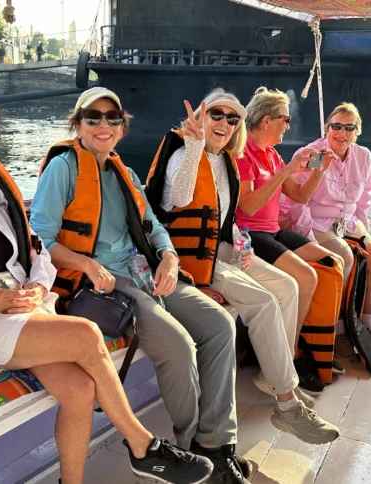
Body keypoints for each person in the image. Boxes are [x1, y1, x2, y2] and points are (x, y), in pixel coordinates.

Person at [0, 76, 214, 484]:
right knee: (87, 336)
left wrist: (38, 283)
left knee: (80, 390)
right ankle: (143, 447)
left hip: (15, 307)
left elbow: (36, 250)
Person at [30, 86, 248, 483]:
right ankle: (189, 452)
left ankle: (215, 445)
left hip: (148, 274)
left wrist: (169, 256)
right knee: (179, 346)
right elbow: (39, 239)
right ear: (77, 125)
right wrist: (85, 263)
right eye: (92, 117)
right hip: (104, 287)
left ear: (121, 127)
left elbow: (155, 227)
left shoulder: (123, 173)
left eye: (112, 118)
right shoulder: (64, 168)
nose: (103, 124)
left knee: (220, 325)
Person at [145, 87, 339, 444]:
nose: (224, 123)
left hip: (224, 249)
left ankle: (278, 376)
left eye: (232, 118)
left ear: (239, 126)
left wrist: (242, 241)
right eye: (215, 115)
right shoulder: (183, 155)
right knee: (263, 302)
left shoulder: (225, 162)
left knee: (289, 287)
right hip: (191, 259)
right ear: (201, 118)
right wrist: (193, 146)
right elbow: (179, 199)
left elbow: (225, 217)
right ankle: (287, 404)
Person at [236, 87, 345, 375]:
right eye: (286, 119)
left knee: (331, 263)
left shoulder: (271, 155)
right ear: (266, 121)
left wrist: (318, 172)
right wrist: (289, 168)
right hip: (250, 235)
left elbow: (298, 196)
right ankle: (290, 353)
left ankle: (316, 341)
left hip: (273, 230)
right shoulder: (242, 153)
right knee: (306, 276)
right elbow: (247, 207)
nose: (289, 124)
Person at [281, 102, 371, 356]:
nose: (341, 133)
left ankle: (367, 323)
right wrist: (307, 236)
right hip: (317, 223)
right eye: (336, 126)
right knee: (344, 255)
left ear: (357, 131)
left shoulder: (364, 156)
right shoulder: (311, 154)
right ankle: (339, 329)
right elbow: (297, 202)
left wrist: (364, 228)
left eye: (349, 127)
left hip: (349, 222)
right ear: (326, 127)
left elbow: (365, 196)